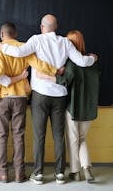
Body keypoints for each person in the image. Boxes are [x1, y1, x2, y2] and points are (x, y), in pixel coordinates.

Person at [0, 14, 97, 184]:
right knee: (58, 135)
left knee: (39, 135)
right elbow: (82, 62)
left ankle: (38, 173)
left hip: (40, 94)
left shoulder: (36, 40)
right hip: (60, 95)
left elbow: (17, 51)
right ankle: (60, 173)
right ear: (56, 27)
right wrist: (93, 58)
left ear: (42, 27)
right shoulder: (65, 42)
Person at [0, 22, 58, 183]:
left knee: (1, 136)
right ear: (16, 34)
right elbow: (39, 65)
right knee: (18, 135)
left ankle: (2, 173)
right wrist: (56, 71)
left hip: (2, 96)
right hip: (20, 96)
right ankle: (20, 173)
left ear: (1, 34)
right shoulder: (24, 47)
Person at [36, 30, 99, 183]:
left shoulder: (71, 64)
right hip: (89, 109)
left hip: (73, 108)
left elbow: (63, 81)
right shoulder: (92, 63)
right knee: (82, 139)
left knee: (73, 140)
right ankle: (87, 168)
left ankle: (76, 172)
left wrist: (44, 76)